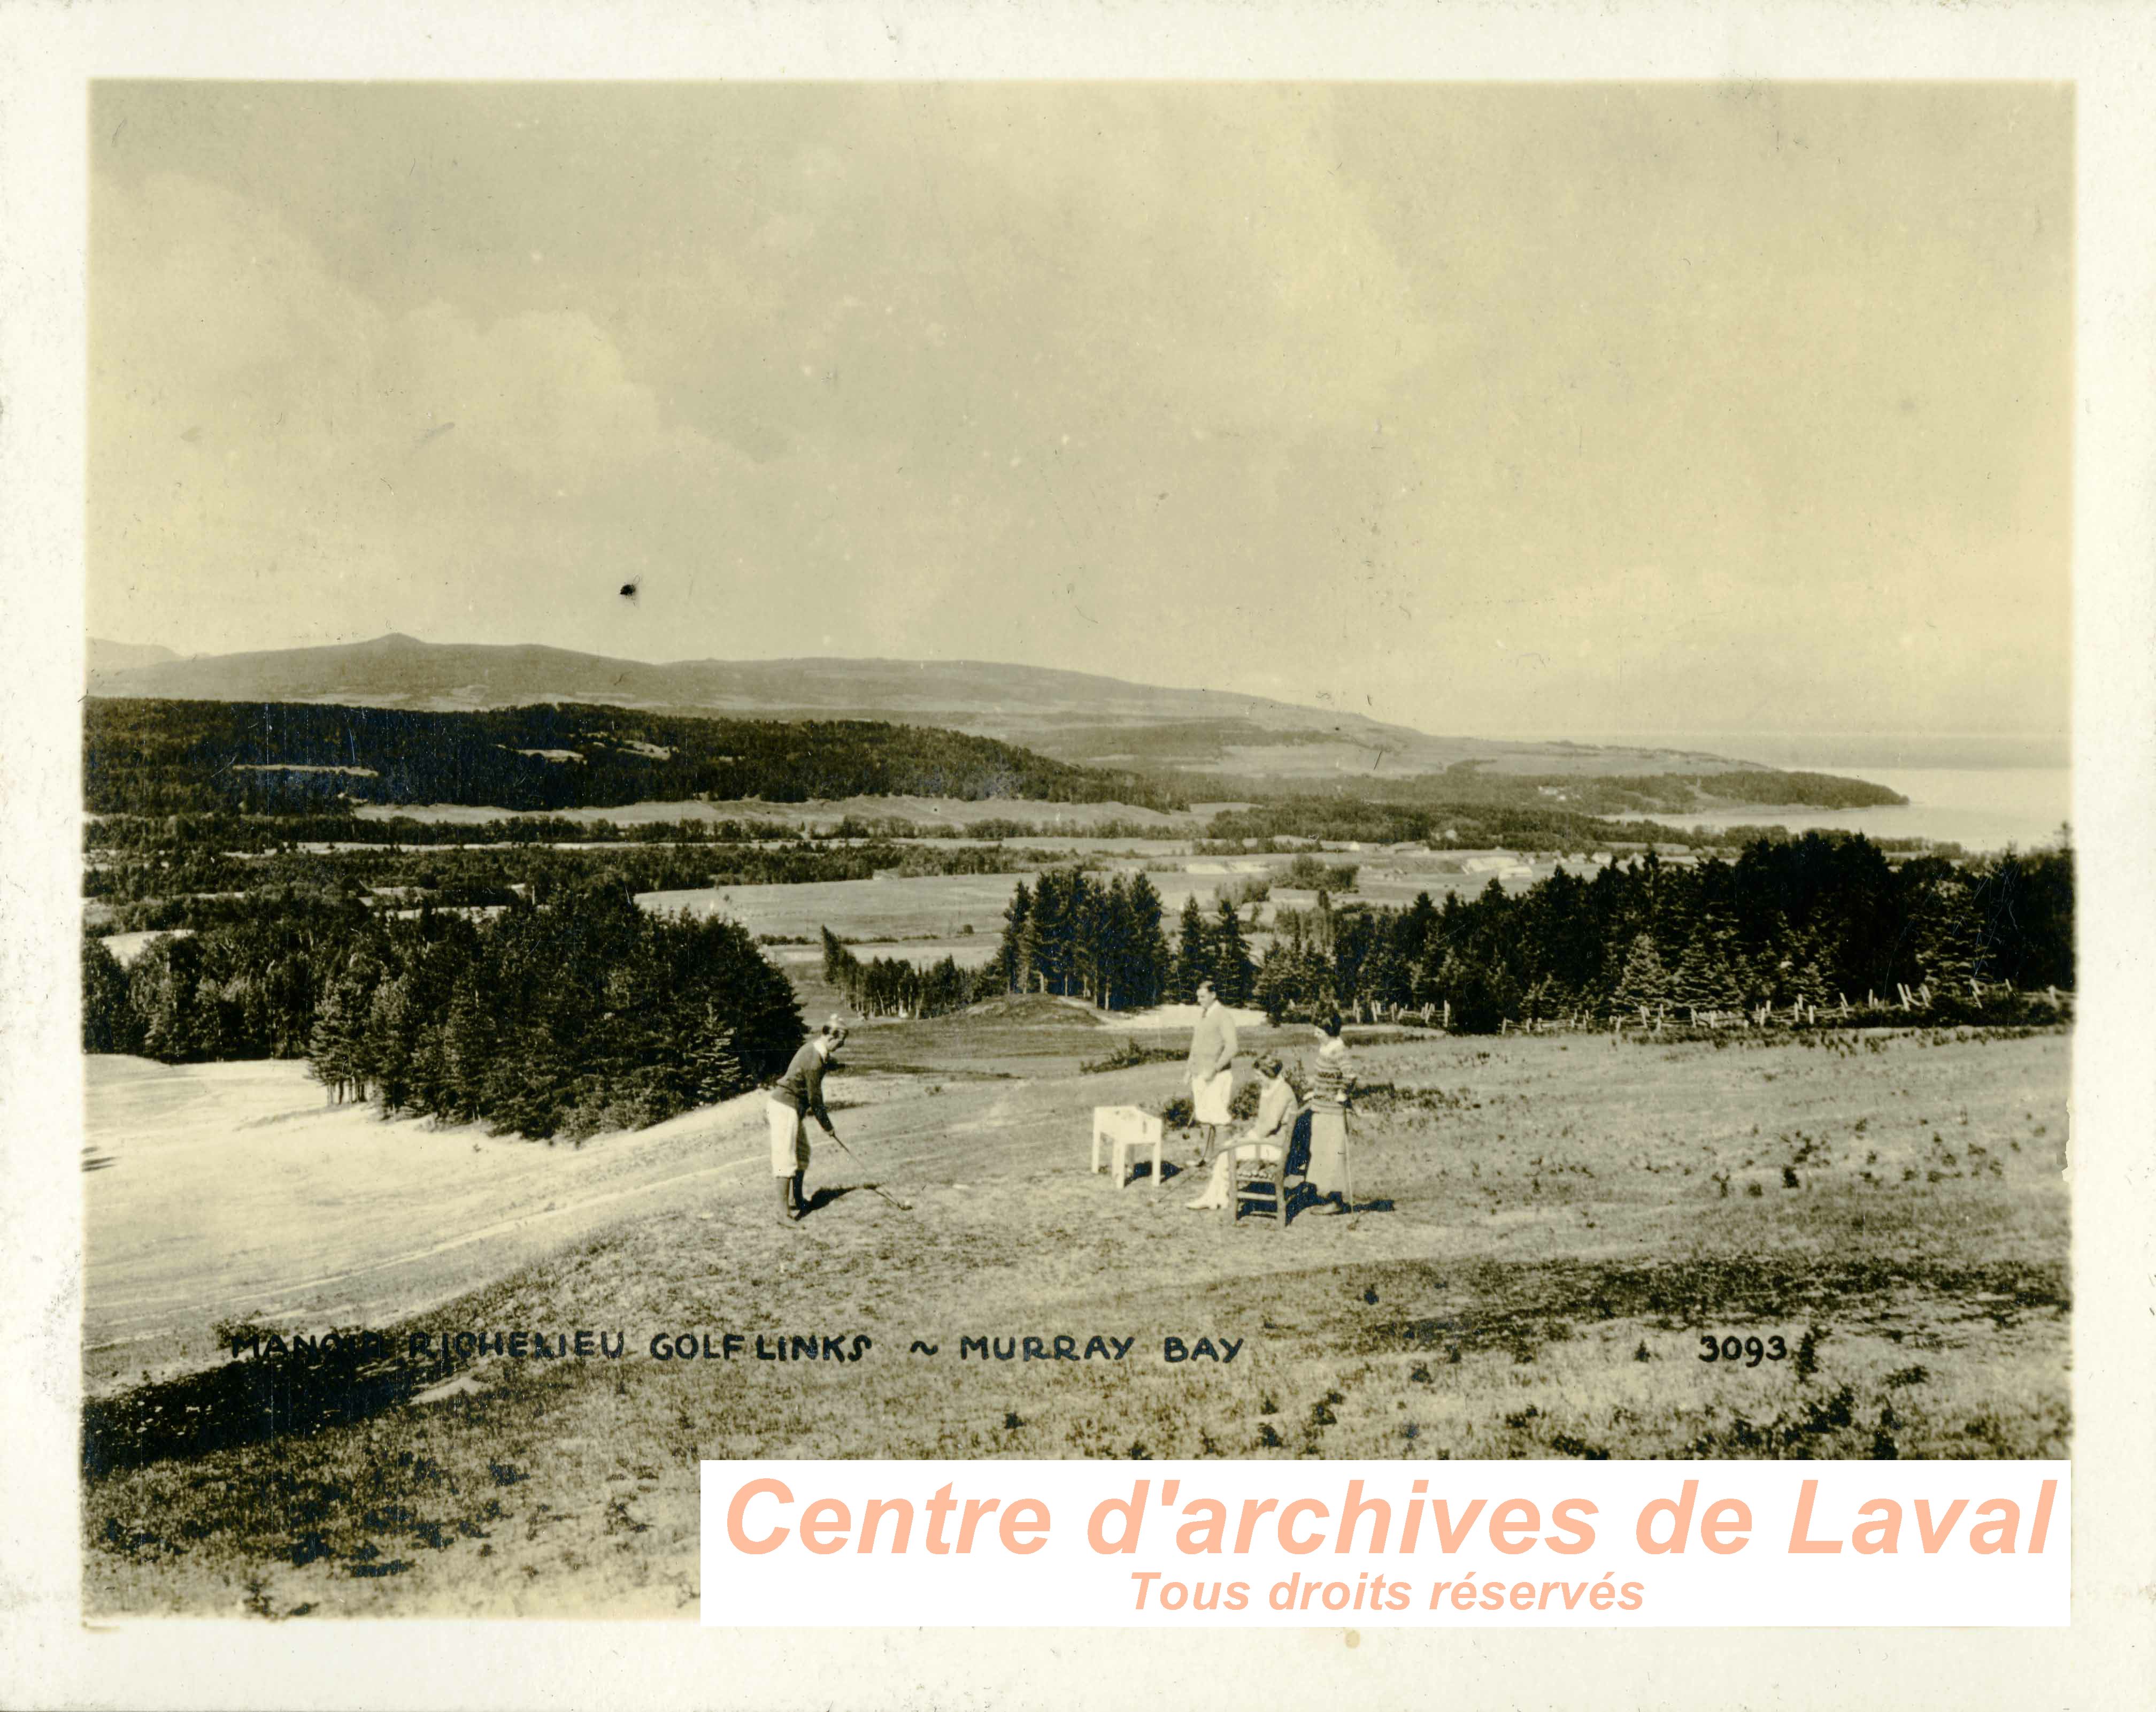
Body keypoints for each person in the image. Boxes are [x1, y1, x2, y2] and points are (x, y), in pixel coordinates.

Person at [1185, 1055, 1297, 1211]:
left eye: (1259, 1076)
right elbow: (1262, 1123)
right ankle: (1217, 1197)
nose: (1257, 1079)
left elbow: (1269, 1125)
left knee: (1227, 1152)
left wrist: (1243, 1140)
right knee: (1228, 1148)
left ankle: (1214, 1198)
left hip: (1276, 1147)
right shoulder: (1272, 1088)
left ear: (1269, 1075)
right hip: (1271, 1142)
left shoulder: (1282, 1092)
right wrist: (1243, 1136)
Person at [768, 1017, 847, 1225]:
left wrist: (836, 1065)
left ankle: (797, 1199)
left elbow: (824, 1062)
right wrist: (828, 1127)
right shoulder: (814, 1060)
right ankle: (783, 1214)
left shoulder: (817, 1050)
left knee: (802, 1153)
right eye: (842, 1040)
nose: (843, 1044)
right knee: (785, 1160)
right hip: (785, 1107)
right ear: (832, 1036)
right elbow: (815, 1099)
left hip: (792, 1109)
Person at [1183, 979, 1238, 1166]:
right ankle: (1207, 1158)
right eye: (1198, 997)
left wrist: (1215, 1069)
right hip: (1199, 1075)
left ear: (1214, 995)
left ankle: (1225, 1163)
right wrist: (1189, 1069)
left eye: (1203, 996)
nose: (1199, 1000)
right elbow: (1196, 1044)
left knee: (1219, 1118)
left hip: (1218, 1076)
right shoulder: (1204, 1015)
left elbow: (1232, 1048)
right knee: (1204, 1116)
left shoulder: (1223, 1016)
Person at [1304, 1010, 1355, 1214]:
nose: (1315, 1033)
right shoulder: (1325, 1049)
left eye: (1319, 1030)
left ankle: (1336, 1201)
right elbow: (1327, 1076)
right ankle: (1327, 1195)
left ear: (1329, 1031)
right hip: (1321, 1107)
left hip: (1333, 1111)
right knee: (1322, 1152)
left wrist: (1342, 1093)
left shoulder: (1337, 1050)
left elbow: (1350, 1076)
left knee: (1333, 1154)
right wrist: (1315, 1092)